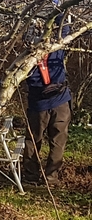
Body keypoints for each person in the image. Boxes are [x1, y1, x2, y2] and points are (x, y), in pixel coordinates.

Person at [22, 19, 72, 186]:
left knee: (33, 141)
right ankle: (51, 178)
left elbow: (16, 78)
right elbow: (64, 31)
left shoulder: (27, 59)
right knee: (58, 141)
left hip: (40, 105)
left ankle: (31, 176)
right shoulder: (56, 49)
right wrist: (60, 13)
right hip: (59, 102)